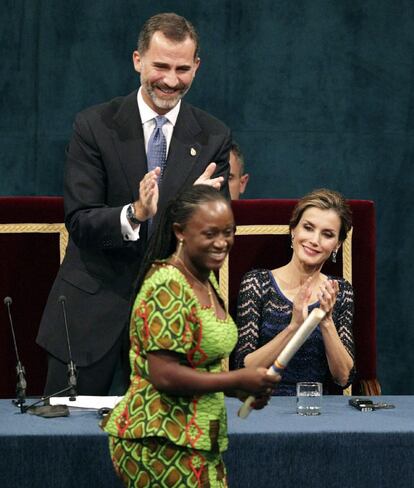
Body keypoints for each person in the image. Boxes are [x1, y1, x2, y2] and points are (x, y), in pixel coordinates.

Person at [36, 13, 233, 396]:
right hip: (89, 315)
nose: (171, 80)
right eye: (160, 66)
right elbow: (80, 220)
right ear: (137, 60)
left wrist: (193, 211)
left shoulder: (213, 136)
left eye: (182, 68)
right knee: (63, 444)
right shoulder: (94, 125)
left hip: (169, 322)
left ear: (197, 66)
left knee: (160, 446)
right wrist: (135, 214)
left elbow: (212, 243)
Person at [102, 185, 279, 487]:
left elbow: (199, 368)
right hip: (158, 439)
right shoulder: (167, 283)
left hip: (194, 438)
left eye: (228, 232)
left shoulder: (205, 280)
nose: (222, 243)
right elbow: (165, 374)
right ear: (180, 232)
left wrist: (239, 391)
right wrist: (236, 380)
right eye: (210, 234)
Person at [231, 188, 355, 395]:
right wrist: (294, 327)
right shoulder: (257, 283)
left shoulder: (340, 292)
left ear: (337, 245)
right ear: (293, 230)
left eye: (327, 234)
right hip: (263, 407)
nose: (315, 240)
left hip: (316, 409)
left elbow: (343, 379)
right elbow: (244, 369)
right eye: (308, 228)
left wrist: (326, 322)